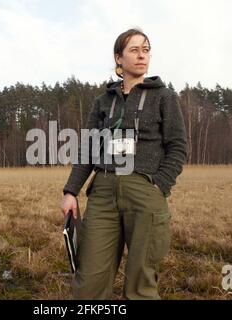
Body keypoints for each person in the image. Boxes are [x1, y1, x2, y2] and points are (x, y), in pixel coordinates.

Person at [60, 28, 187, 300]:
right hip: (103, 192)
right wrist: (71, 191)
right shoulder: (103, 101)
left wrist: (159, 186)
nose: (142, 55)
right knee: (89, 282)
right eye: (134, 50)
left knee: (140, 284)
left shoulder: (164, 97)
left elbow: (178, 147)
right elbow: (88, 149)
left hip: (144, 191)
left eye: (146, 49)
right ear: (119, 58)